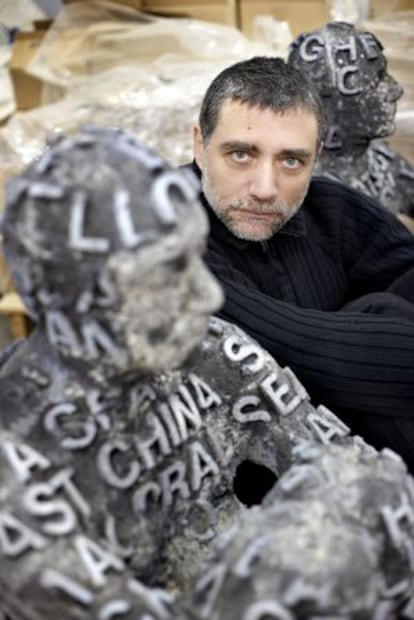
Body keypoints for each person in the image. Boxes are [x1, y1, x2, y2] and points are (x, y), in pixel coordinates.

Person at [0, 126, 356, 618]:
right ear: (72, 297)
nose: (208, 296)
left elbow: (346, 465)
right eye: (162, 275)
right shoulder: (15, 473)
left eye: (192, 258)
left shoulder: (212, 350)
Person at [184, 56, 414, 472]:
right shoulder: (165, 234)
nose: (266, 189)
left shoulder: (331, 209)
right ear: (200, 145)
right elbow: (274, 351)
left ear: (315, 157)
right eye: (240, 154)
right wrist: (371, 333)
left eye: (291, 161)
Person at [287, 21, 414, 220]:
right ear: (335, 102)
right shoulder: (308, 194)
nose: (395, 90)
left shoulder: (383, 161)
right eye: (378, 79)